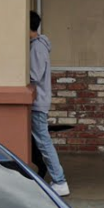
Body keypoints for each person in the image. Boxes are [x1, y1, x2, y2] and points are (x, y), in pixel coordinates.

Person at [30, 10, 69, 197]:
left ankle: (60, 181)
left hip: (37, 102)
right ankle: (58, 180)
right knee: (42, 141)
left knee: (44, 142)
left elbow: (34, 75)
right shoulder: (37, 45)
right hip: (39, 100)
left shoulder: (37, 48)